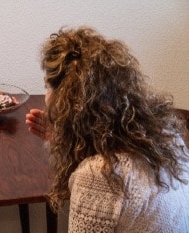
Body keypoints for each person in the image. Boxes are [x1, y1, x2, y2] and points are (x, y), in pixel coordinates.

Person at [26, 26, 189, 232]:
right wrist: (63, 141)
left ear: (67, 100)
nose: (45, 96)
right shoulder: (166, 136)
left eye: (46, 86)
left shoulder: (97, 176)